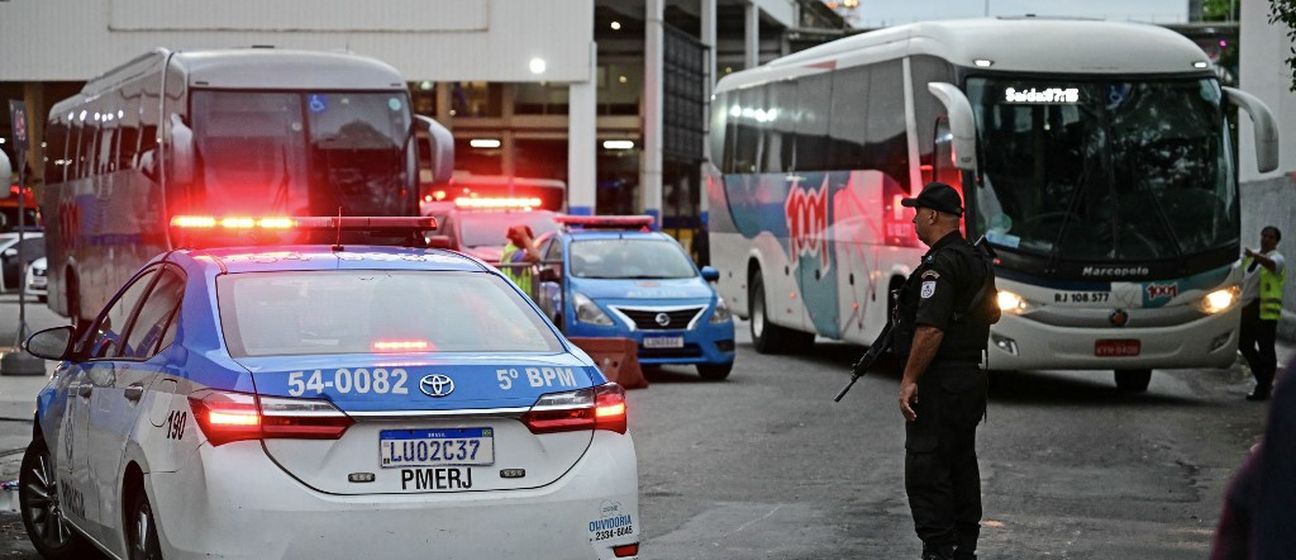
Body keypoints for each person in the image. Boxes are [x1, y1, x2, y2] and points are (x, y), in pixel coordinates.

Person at [893, 182, 998, 560]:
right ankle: (963, 546)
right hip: (970, 380)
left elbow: (931, 328)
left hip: (941, 382)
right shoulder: (977, 259)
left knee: (927, 466)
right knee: (961, 462)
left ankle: (940, 549)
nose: (914, 219)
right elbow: (990, 315)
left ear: (933, 215)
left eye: (917, 211)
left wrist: (909, 380)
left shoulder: (940, 265)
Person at [1239, 226, 1285, 401]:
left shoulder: (1276, 258)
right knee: (1244, 344)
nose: (1266, 239)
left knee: (1266, 349)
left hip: (1265, 310)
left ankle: (1263, 387)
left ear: (1276, 241)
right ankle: (1264, 380)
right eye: (1264, 235)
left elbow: (1272, 265)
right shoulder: (1252, 256)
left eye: (1270, 237)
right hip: (1247, 307)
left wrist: (1255, 256)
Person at [502, 224, 542, 298]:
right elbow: (536, 256)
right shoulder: (516, 254)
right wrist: (525, 237)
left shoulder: (509, 249)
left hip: (514, 294)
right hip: (518, 296)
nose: (530, 240)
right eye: (529, 239)